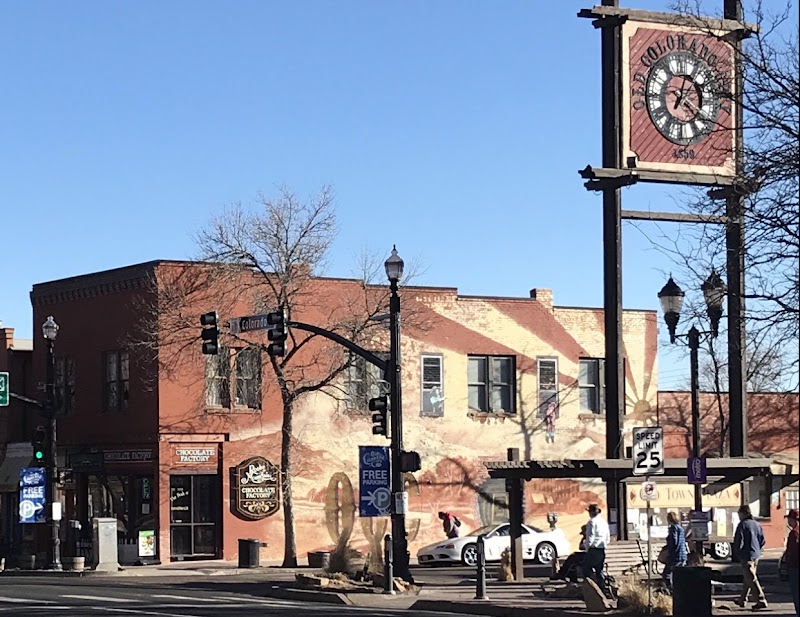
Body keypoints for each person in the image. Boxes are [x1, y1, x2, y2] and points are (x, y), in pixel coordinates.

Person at [733, 504, 768, 610]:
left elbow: (739, 541)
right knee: (747, 578)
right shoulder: (757, 524)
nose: (739, 516)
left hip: (746, 555)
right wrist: (758, 549)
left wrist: (737, 553)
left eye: (739, 513)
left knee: (751, 578)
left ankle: (761, 600)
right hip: (756, 554)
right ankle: (742, 600)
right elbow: (762, 540)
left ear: (743, 513)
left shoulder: (742, 525)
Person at [584, 504, 611, 596]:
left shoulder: (591, 522)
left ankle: (589, 590)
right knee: (599, 570)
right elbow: (607, 537)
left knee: (586, 569)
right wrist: (605, 545)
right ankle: (602, 589)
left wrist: (587, 549)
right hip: (601, 549)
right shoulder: (604, 522)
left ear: (591, 512)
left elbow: (590, 537)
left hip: (593, 549)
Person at [661, 511, 687, 592]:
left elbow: (674, 542)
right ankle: (680, 591)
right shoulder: (680, 528)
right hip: (682, 555)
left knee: (667, 574)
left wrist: (669, 550)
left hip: (675, 556)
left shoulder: (673, 528)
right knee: (679, 575)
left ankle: (672, 592)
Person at [785, 508, 799, 615]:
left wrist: (788, 564)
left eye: (789, 519)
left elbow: (793, 552)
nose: (788, 521)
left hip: (795, 567)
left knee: (796, 593)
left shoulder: (794, 533)